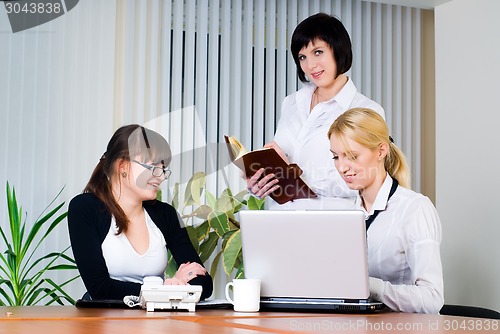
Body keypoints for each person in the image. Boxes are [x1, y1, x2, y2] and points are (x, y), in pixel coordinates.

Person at [246, 12, 385, 210]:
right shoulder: (291, 103)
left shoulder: (366, 110)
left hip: (331, 224)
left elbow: (367, 180)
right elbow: (280, 160)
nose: (310, 65)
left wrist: (296, 175)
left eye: (318, 52)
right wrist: (261, 182)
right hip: (282, 220)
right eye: (302, 57)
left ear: (338, 50)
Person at [68, 124, 213, 301]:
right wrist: (166, 287)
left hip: (155, 322)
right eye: (153, 167)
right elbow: (100, 288)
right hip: (104, 322)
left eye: (163, 168)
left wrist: (166, 289)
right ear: (123, 166)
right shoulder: (84, 208)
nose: (160, 176)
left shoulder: (166, 214)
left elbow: (204, 283)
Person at [327, 108, 444, 314]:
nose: (342, 167)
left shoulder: (415, 209)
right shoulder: (344, 212)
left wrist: (370, 286)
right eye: (336, 157)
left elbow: (432, 299)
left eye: (352, 156)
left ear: (381, 151)